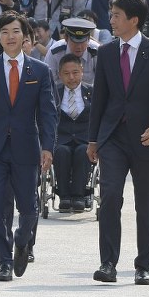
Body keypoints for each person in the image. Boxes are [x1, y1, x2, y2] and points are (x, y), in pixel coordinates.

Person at [88, 0, 149, 285]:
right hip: (113, 137)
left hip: (146, 139)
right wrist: (93, 140)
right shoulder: (105, 52)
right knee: (111, 196)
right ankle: (108, 263)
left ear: (133, 20)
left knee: (146, 204)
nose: (111, 20)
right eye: (111, 14)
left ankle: (143, 265)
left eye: (116, 15)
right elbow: (99, 98)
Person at [0, 12, 57, 282]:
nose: (10, 37)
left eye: (15, 31)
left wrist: (47, 147)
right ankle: (3, 261)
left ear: (25, 36)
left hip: (27, 148)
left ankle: (22, 239)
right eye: (4, 32)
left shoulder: (40, 71)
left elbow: (48, 114)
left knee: (28, 207)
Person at [53, 53, 92, 213]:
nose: (71, 77)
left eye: (75, 72)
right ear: (60, 74)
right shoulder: (53, 92)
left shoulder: (92, 92)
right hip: (61, 138)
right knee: (61, 152)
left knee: (84, 151)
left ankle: (79, 195)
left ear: (82, 71)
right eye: (66, 73)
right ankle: (64, 196)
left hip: (85, 139)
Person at [44, 17, 99, 86]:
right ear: (66, 39)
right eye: (75, 42)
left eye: (82, 42)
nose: (79, 47)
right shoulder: (55, 52)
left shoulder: (96, 52)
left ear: (88, 40)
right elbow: (48, 81)